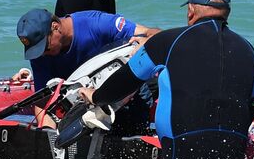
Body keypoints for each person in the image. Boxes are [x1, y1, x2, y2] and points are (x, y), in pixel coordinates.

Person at [84, 0, 254, 159]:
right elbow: (251, 106)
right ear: (227, 13)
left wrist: (96, 95)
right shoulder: (248, 51)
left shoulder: (167, 41)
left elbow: (125, 81)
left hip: (183, 146)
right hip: (233, 145)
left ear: (190, 11)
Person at [16, 7, 157, 101]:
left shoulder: (97, 23)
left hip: (128, 95)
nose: (43, 54)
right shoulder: (39, 55)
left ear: (55, 27)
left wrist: (145, 42)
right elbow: (42, 103)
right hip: (83, 102)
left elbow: (155, 33)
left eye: (44, 47)